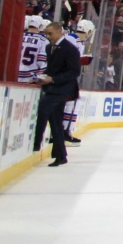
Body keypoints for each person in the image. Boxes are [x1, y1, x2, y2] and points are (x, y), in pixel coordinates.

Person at [33, 22, 79, 166]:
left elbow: (74, 72)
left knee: (43, 109)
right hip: (53, 87)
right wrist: (40, 77)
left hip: (62, 88)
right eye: (46, 34)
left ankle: (36, 142)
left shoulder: (70, 49)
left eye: (50, 34)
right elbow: (52, 69)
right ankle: (61, 155)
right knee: (55, 121)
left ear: (59, 32)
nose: (48, 37)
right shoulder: (48, 48)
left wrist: (53, 79)